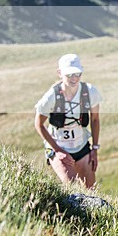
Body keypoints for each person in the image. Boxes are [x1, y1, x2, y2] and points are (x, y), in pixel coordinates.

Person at [34, 53, 102, 189]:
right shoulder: (51, 97)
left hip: (82, 147)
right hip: (59, 147)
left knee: (91, 190)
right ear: (60, 73)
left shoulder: (90, 92)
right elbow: (39, 124)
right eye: (69, 75)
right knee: (74, 190)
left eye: (77, 74)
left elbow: (95, 119)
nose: (74, 78)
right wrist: (57, 150)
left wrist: (94, 148)